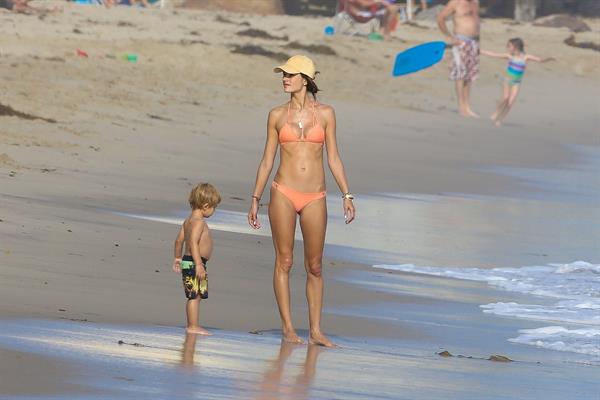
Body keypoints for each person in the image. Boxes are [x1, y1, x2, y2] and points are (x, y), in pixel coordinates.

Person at [248, 55, 355, 348]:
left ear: (305, 80)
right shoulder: (276, 115)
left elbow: (333, 157)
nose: (284, 78)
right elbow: (267, 159)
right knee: (284, 261)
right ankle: (287, 328)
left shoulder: (327, 114)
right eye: (283, 74)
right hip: (283, 191)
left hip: (315, 196)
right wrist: (255, 198)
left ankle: (316, 330)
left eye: (290, 74)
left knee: (315, 266)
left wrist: (346, 194)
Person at [172, 183, 221, 335]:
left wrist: (177, 258)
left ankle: (193, 324)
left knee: (196, 294)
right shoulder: (199, 223)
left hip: (189, 261)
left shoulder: (187, 222)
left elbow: (179, 241)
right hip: (195, 263)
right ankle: (192, 325)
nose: (214, 211)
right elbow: (192, 242)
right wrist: (199, 265)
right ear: (206, 206)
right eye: (214, 207)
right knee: (195, 296)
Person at [481, 38, 554, 126]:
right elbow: (494, 54)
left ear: (516, 47)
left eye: (509, 46)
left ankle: (499, 120)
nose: (507, 47)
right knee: (505, 98)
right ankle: (496, 112)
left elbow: (539, 60)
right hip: (507, 79)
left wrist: (548, 59)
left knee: (510, 102)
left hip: (517, 82)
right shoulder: (509, 56)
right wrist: (482, 51)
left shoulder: (526, 57)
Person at [437, 0, 480, 118]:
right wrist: (450, 37)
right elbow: (441, 18)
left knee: (469, 76)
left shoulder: (475, 2)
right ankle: (461, 107)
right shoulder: (455, 2)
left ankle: (467, 107)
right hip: (460, 41)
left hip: (474, 42)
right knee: (460, 74)